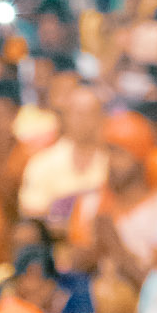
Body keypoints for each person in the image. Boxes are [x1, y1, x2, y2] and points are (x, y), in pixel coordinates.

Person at [16, 87, 107, 228]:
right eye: (78, 113)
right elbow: (31, 212)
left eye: (90, 114)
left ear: (101, 117)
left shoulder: (112, 162)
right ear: (65, 116)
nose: (84, 120)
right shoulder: (42, 163)